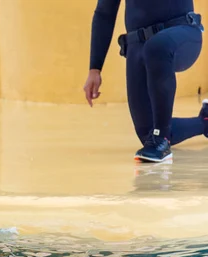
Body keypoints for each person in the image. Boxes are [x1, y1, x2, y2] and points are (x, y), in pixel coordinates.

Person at [84, 0, 205, 163]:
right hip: (139, 44)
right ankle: (204, 122)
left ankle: (161, 139)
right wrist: (95, 69)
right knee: (147, 132)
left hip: (182, 33)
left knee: (158, 46)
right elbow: (104, 14)